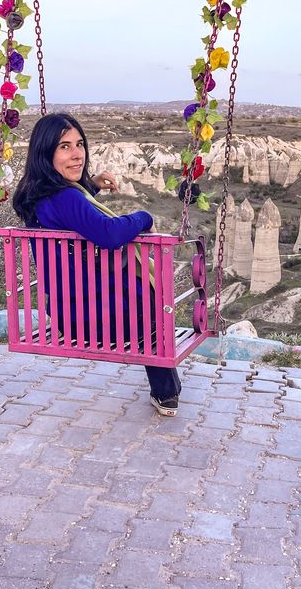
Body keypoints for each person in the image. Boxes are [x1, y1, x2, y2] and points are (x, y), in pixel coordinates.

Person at [12, 112, 182, 416]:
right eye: (64, 147)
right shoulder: (66, 197)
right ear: (45, 152)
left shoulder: (37, 195)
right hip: (98, 319)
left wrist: (91, 185)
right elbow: (109, 234)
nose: (77, 154)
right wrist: (144, 217)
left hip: (66, 312)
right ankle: (166, 392)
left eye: (79, 144)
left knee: (138, 287)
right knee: (151, 296)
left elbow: (68, 211)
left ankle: (167, 390)